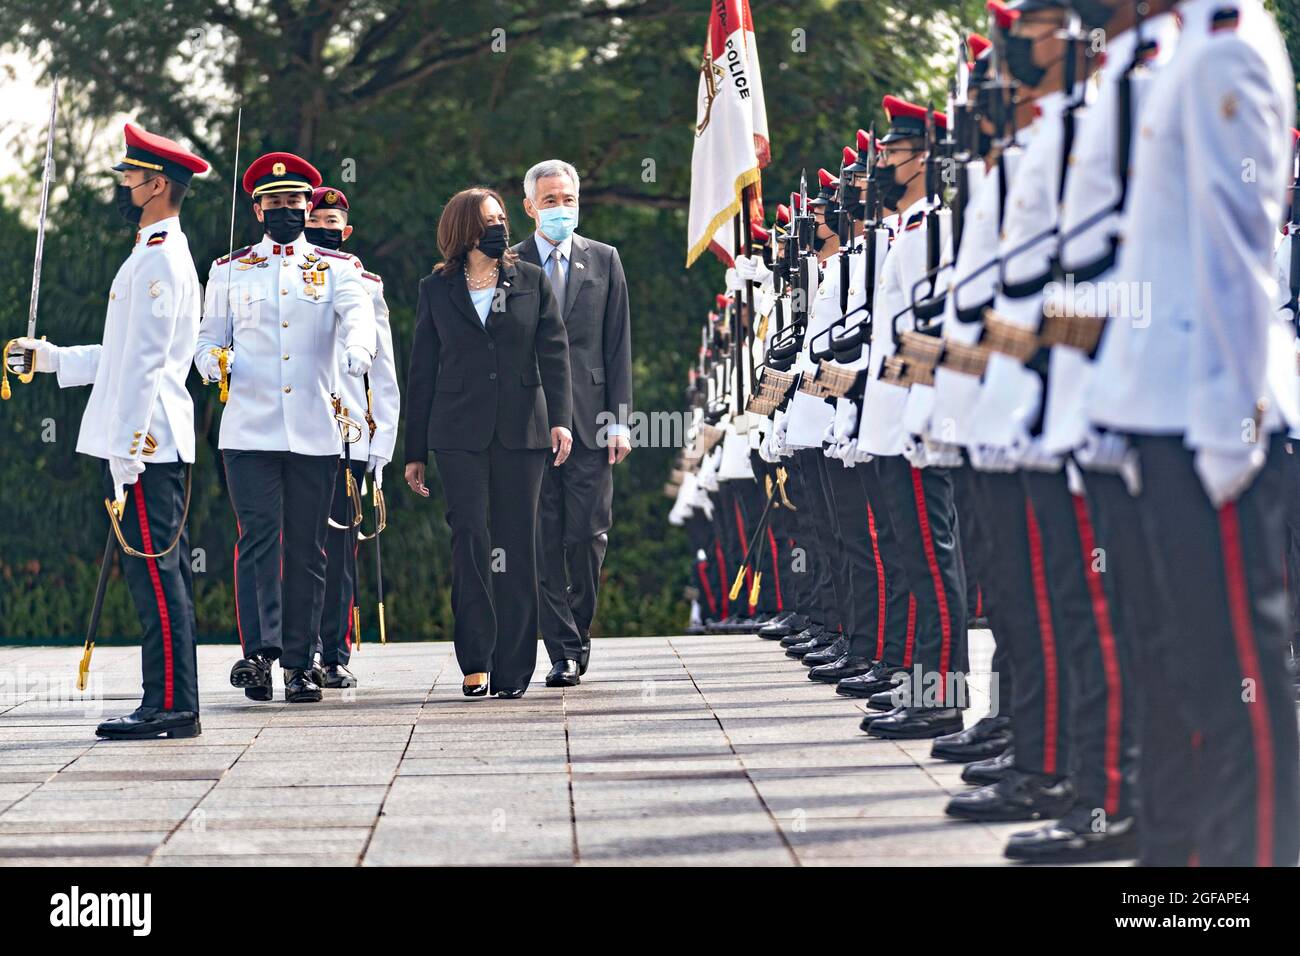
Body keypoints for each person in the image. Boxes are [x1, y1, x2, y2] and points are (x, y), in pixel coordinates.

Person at [6, 123, 208, 739]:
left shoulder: (160, 261)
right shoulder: (151, 253)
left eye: (129, 176)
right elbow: (121, 357)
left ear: (155, 184)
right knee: (150, 576)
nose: (122, 186)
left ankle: (172, 706)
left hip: (145, 445)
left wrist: (127, 453)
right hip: (140, 441)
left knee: (156, 573)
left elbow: (146, 366)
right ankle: (165, 701)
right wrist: (51, 358)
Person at [196, 152, 376, 705]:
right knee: (257, 540)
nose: (286, 211)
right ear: (256, 209)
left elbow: (357, 314)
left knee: (307, 548)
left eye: (294, 203)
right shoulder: (229, 270)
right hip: (248, 430)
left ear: (307, 206)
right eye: (274, 203)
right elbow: (206, 340)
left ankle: (300, 664)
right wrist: (212, 363)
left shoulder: (336, 268)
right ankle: (259, 655)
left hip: (315, 430)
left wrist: (358, 349)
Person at [405, 187, 573, 699]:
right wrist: (413, 451)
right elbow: (422, 372)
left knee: (517, 545)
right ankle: (475, 658)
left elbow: (555, 351)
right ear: (463, 231)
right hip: (457, 435)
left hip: (522, 432)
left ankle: (514, 667)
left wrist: (561, 421)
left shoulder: (530, 279)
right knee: (472, 540)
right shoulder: (436, 289)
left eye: (501, 218)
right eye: (487, 221)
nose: (498, 228)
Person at [511, 160, 632, 687]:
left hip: (590, 422)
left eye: (568, 198)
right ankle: (560, 650)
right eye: (550, 200)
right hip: (528, 422)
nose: (561, 208)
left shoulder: (604, 260)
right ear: (530, 207)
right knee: (541, 539)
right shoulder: (507, 263)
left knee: (586, 537)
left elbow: (618, 344)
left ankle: (578, 634)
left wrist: (621, 421)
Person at [304, 185, 400, 688]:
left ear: (347, 230)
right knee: (293, 547)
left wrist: (380, 444)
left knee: (339, 549)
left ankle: (333, 652)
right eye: (314, 219)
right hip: (295, 430)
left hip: (347, 434)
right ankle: (287, 648)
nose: (323, 227)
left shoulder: (366, 282)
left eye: (332, 221)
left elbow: (382, 367)